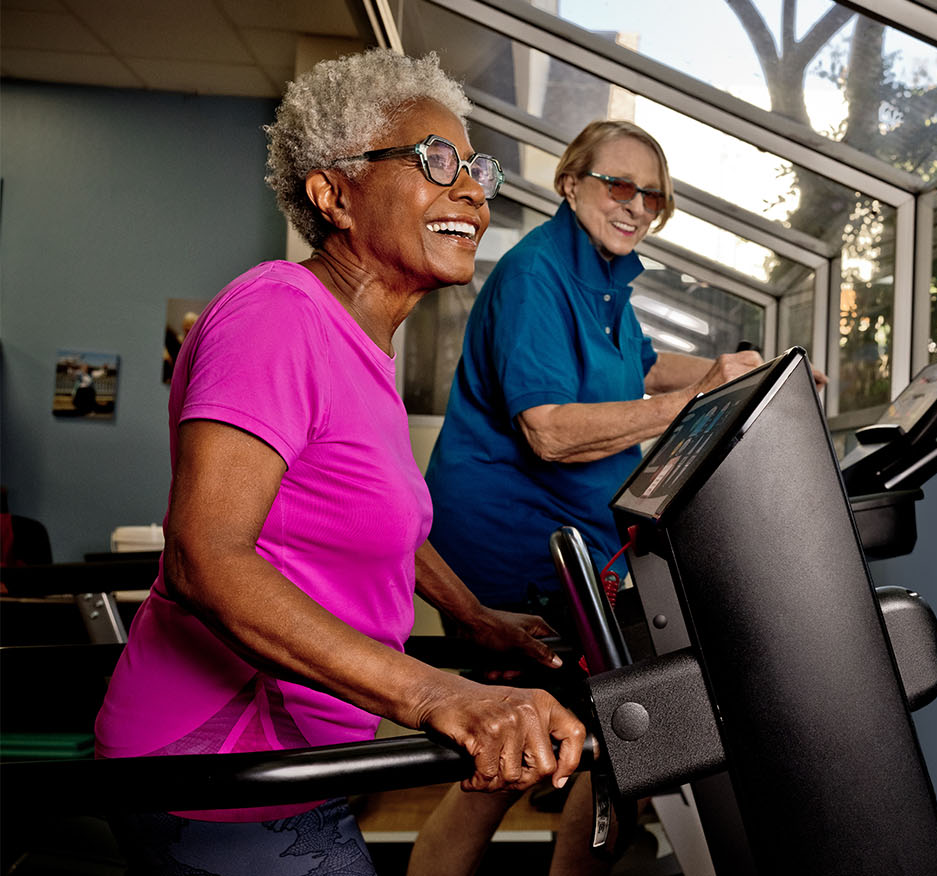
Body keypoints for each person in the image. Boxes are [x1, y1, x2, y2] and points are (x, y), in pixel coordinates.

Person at [94, 49, 585, 875]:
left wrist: (471, 619)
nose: (473, 190)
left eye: (477, 168)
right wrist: (440, 694)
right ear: (333, 194)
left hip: (298, 757)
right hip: (219, 762)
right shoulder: (279, 314)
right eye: (436, 162)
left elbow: (367, 517)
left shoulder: (358, 346)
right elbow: (204, 559)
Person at [411, 120, 822, 875]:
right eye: (619, 185)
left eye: (654, 195)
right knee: (571, 745)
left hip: (576, 543)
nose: (637, 204)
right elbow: (550, 432)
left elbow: (649, 363)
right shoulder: (540, 275)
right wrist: (699, 402)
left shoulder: (601, 277)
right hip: (514, 554)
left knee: (616, 739)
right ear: (572, 184)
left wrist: (757, 375)